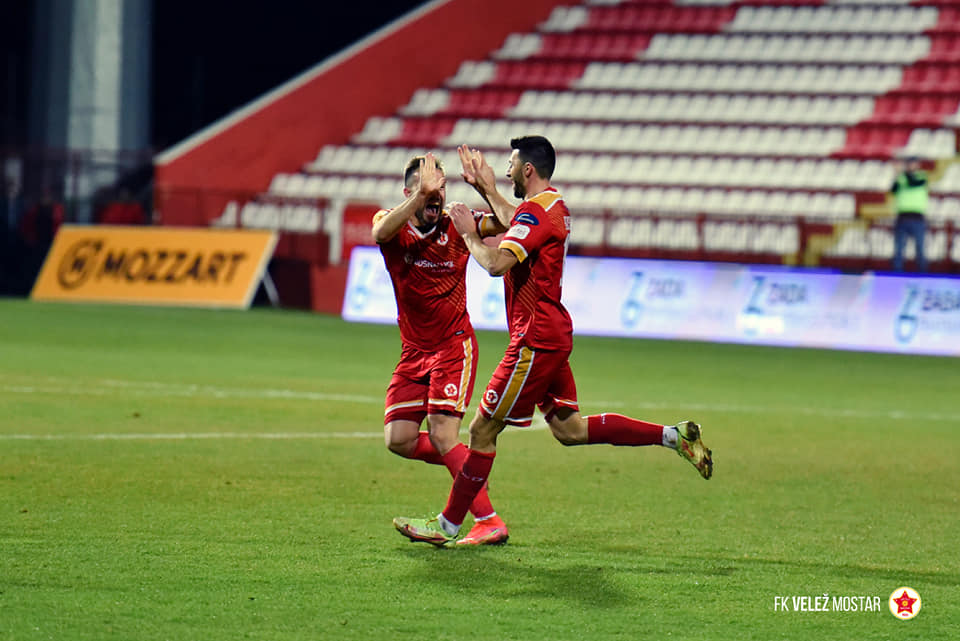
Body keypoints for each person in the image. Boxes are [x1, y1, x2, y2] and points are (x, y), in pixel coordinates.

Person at [394, 136, 713, 546]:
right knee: (570, 430)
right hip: (553, 333)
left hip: (534, 340)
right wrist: (485, 189)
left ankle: (452, 525)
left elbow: (495, 263)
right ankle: (674, 436)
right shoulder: (551, 207)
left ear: (528, 169)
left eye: (510, 165)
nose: (505, 171)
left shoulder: (535, 213)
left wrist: (470, 234)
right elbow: (517, 219)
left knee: (481, 430)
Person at [372, 152, 509, 546]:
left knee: (443, 433)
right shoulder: (390, 223)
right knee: (398, 440)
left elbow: (510, 221)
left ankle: (488, 520)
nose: (436, 196)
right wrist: (420, 196)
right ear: (408, 192)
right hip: (413, 351)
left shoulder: (456, 223)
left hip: (454, 346)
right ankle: (471, 466)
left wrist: (487, 188)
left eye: (440, 188)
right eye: (427, 188)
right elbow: (379, 236)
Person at [890, 156, 929, 272]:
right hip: (902, 217)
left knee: (920, 248)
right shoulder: (901, 177)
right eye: (909, 164)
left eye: (913, 164)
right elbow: (893, 190)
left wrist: (900, 172)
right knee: (899, 247)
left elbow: (913, 183)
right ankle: (897, 273)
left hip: (918, 218)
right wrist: (896, 175)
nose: (911, 166)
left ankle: (923, 273)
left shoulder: (922, 176)